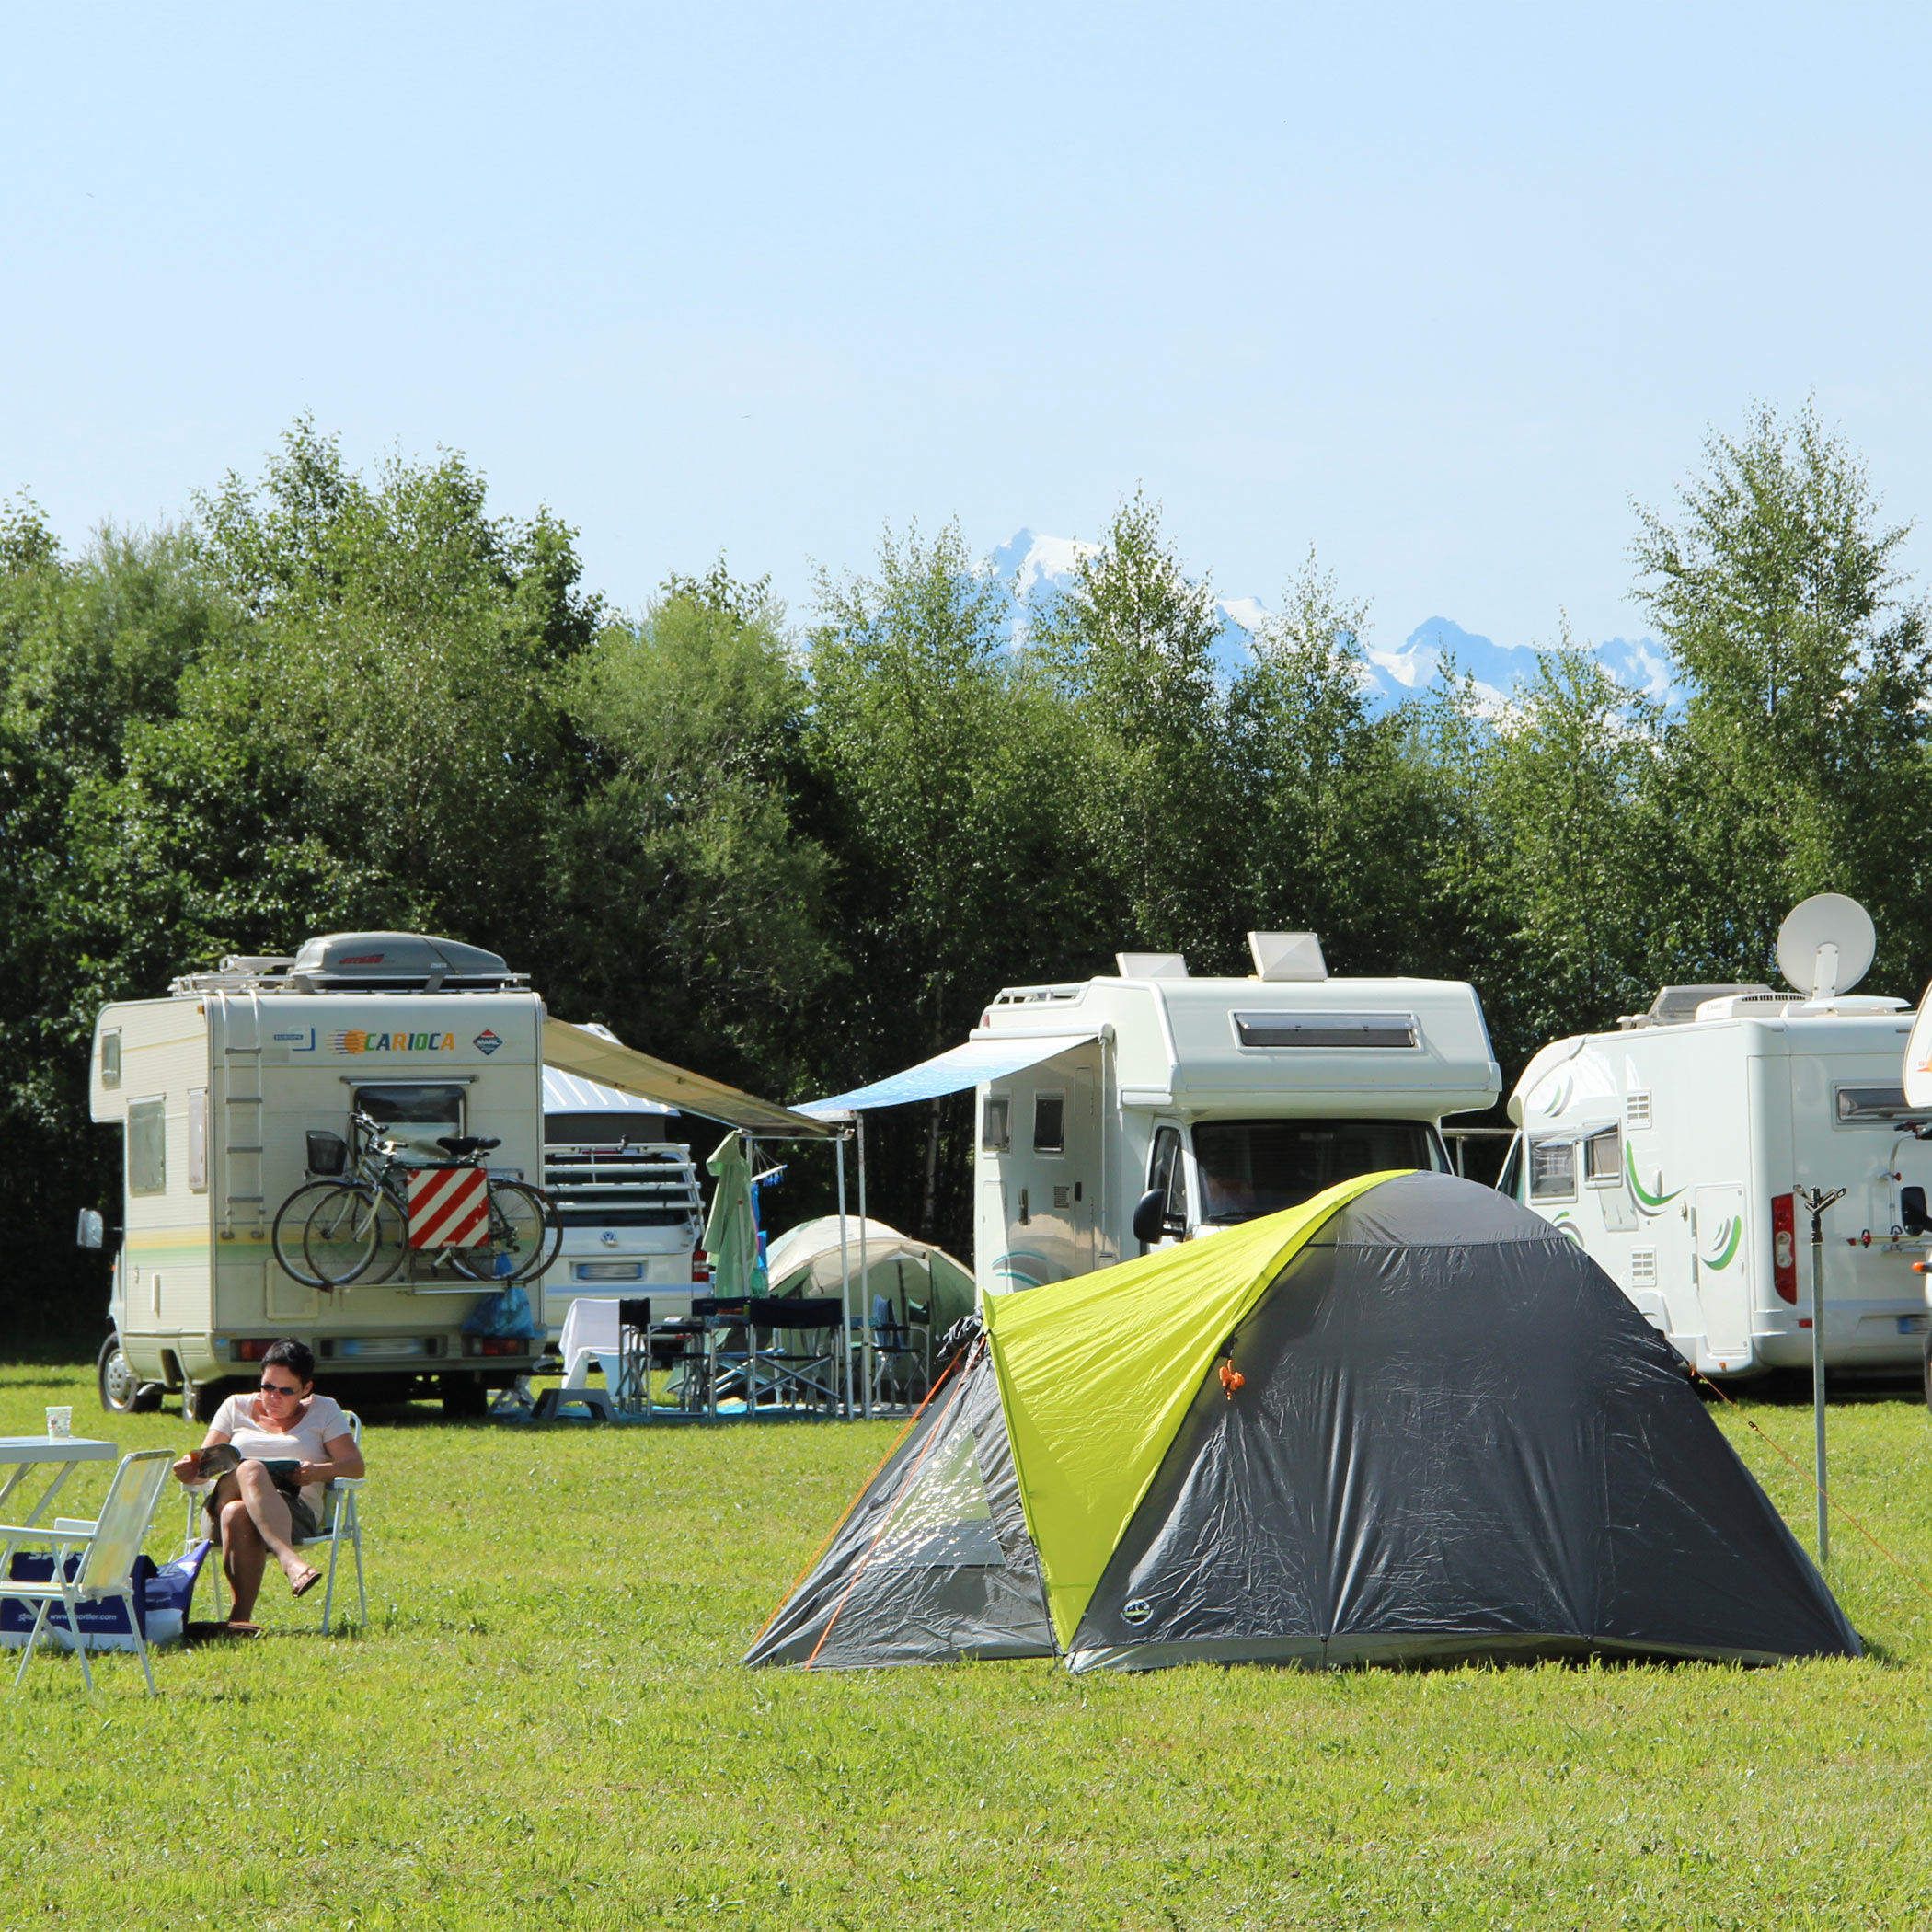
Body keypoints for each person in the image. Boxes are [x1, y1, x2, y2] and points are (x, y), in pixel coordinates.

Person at [172, 1339, 364, 1629]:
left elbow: (354, 1466)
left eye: (286, 1391)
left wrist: (318, 1472)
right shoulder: (235, 1406)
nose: (274, 1397)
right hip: (220, 1507)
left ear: (306, 1389)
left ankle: (239, 1621)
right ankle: (290, 1562)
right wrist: (189, 1470)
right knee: (250, 1469)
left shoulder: (325, 1411)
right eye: (267, 1387)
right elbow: (205, 1467)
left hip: (292, 1513)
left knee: (238, 1512)